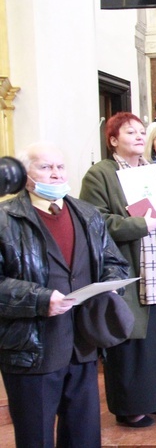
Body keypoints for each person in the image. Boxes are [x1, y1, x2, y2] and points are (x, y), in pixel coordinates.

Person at [0, 143, 130, 447]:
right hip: (32, 348)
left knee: (83, 435)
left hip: (83, 343)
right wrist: (41, 299)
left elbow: (113, 262)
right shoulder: (6, 219)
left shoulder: (86, 213)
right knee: (36, 436)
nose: (55, 174)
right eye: (45, 167)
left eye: (60, 167)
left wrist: (111, 282)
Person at [80, 112, 156, 427]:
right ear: (113, 139)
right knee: (131, 337)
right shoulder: (100, 174)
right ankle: (131, 406)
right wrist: (139, 225)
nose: (140, 137)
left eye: (142, 132)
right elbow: (95, 219)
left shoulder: (152, 170)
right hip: (130, 262)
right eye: (131, 132)